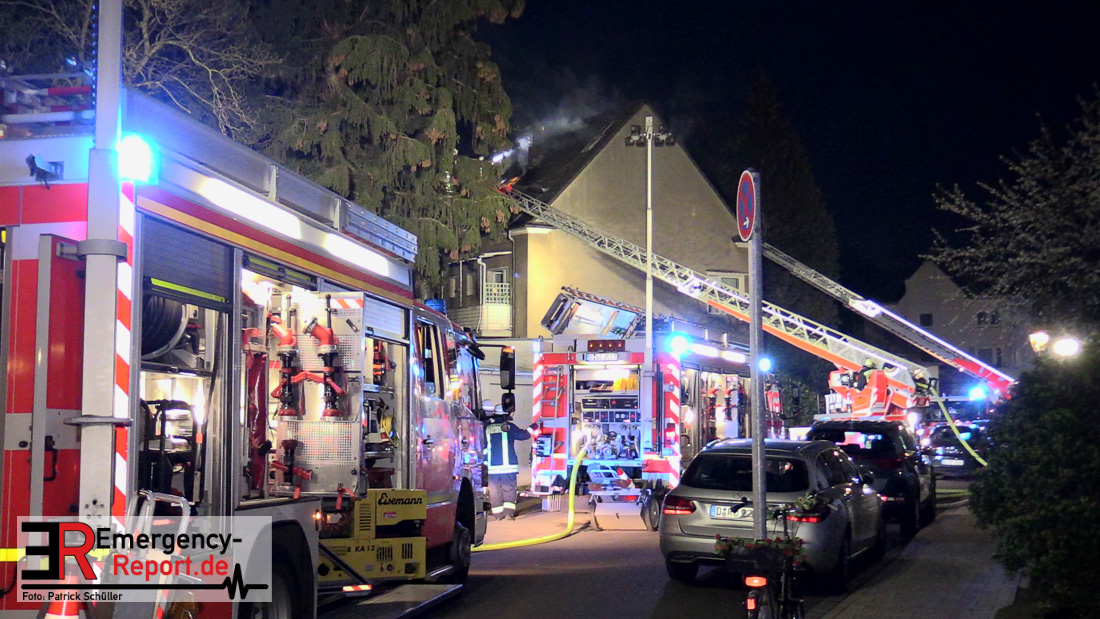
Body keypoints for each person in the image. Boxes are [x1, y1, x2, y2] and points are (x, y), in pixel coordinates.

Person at [484, 403, 535, 520]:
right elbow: (524, 435)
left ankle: (498, 515)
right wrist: (534, 426)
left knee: (495, 492)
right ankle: (508, 514)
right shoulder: (509, 427)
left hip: (492, 468)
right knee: (509, 490)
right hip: (508, 468)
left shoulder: (487, 428)